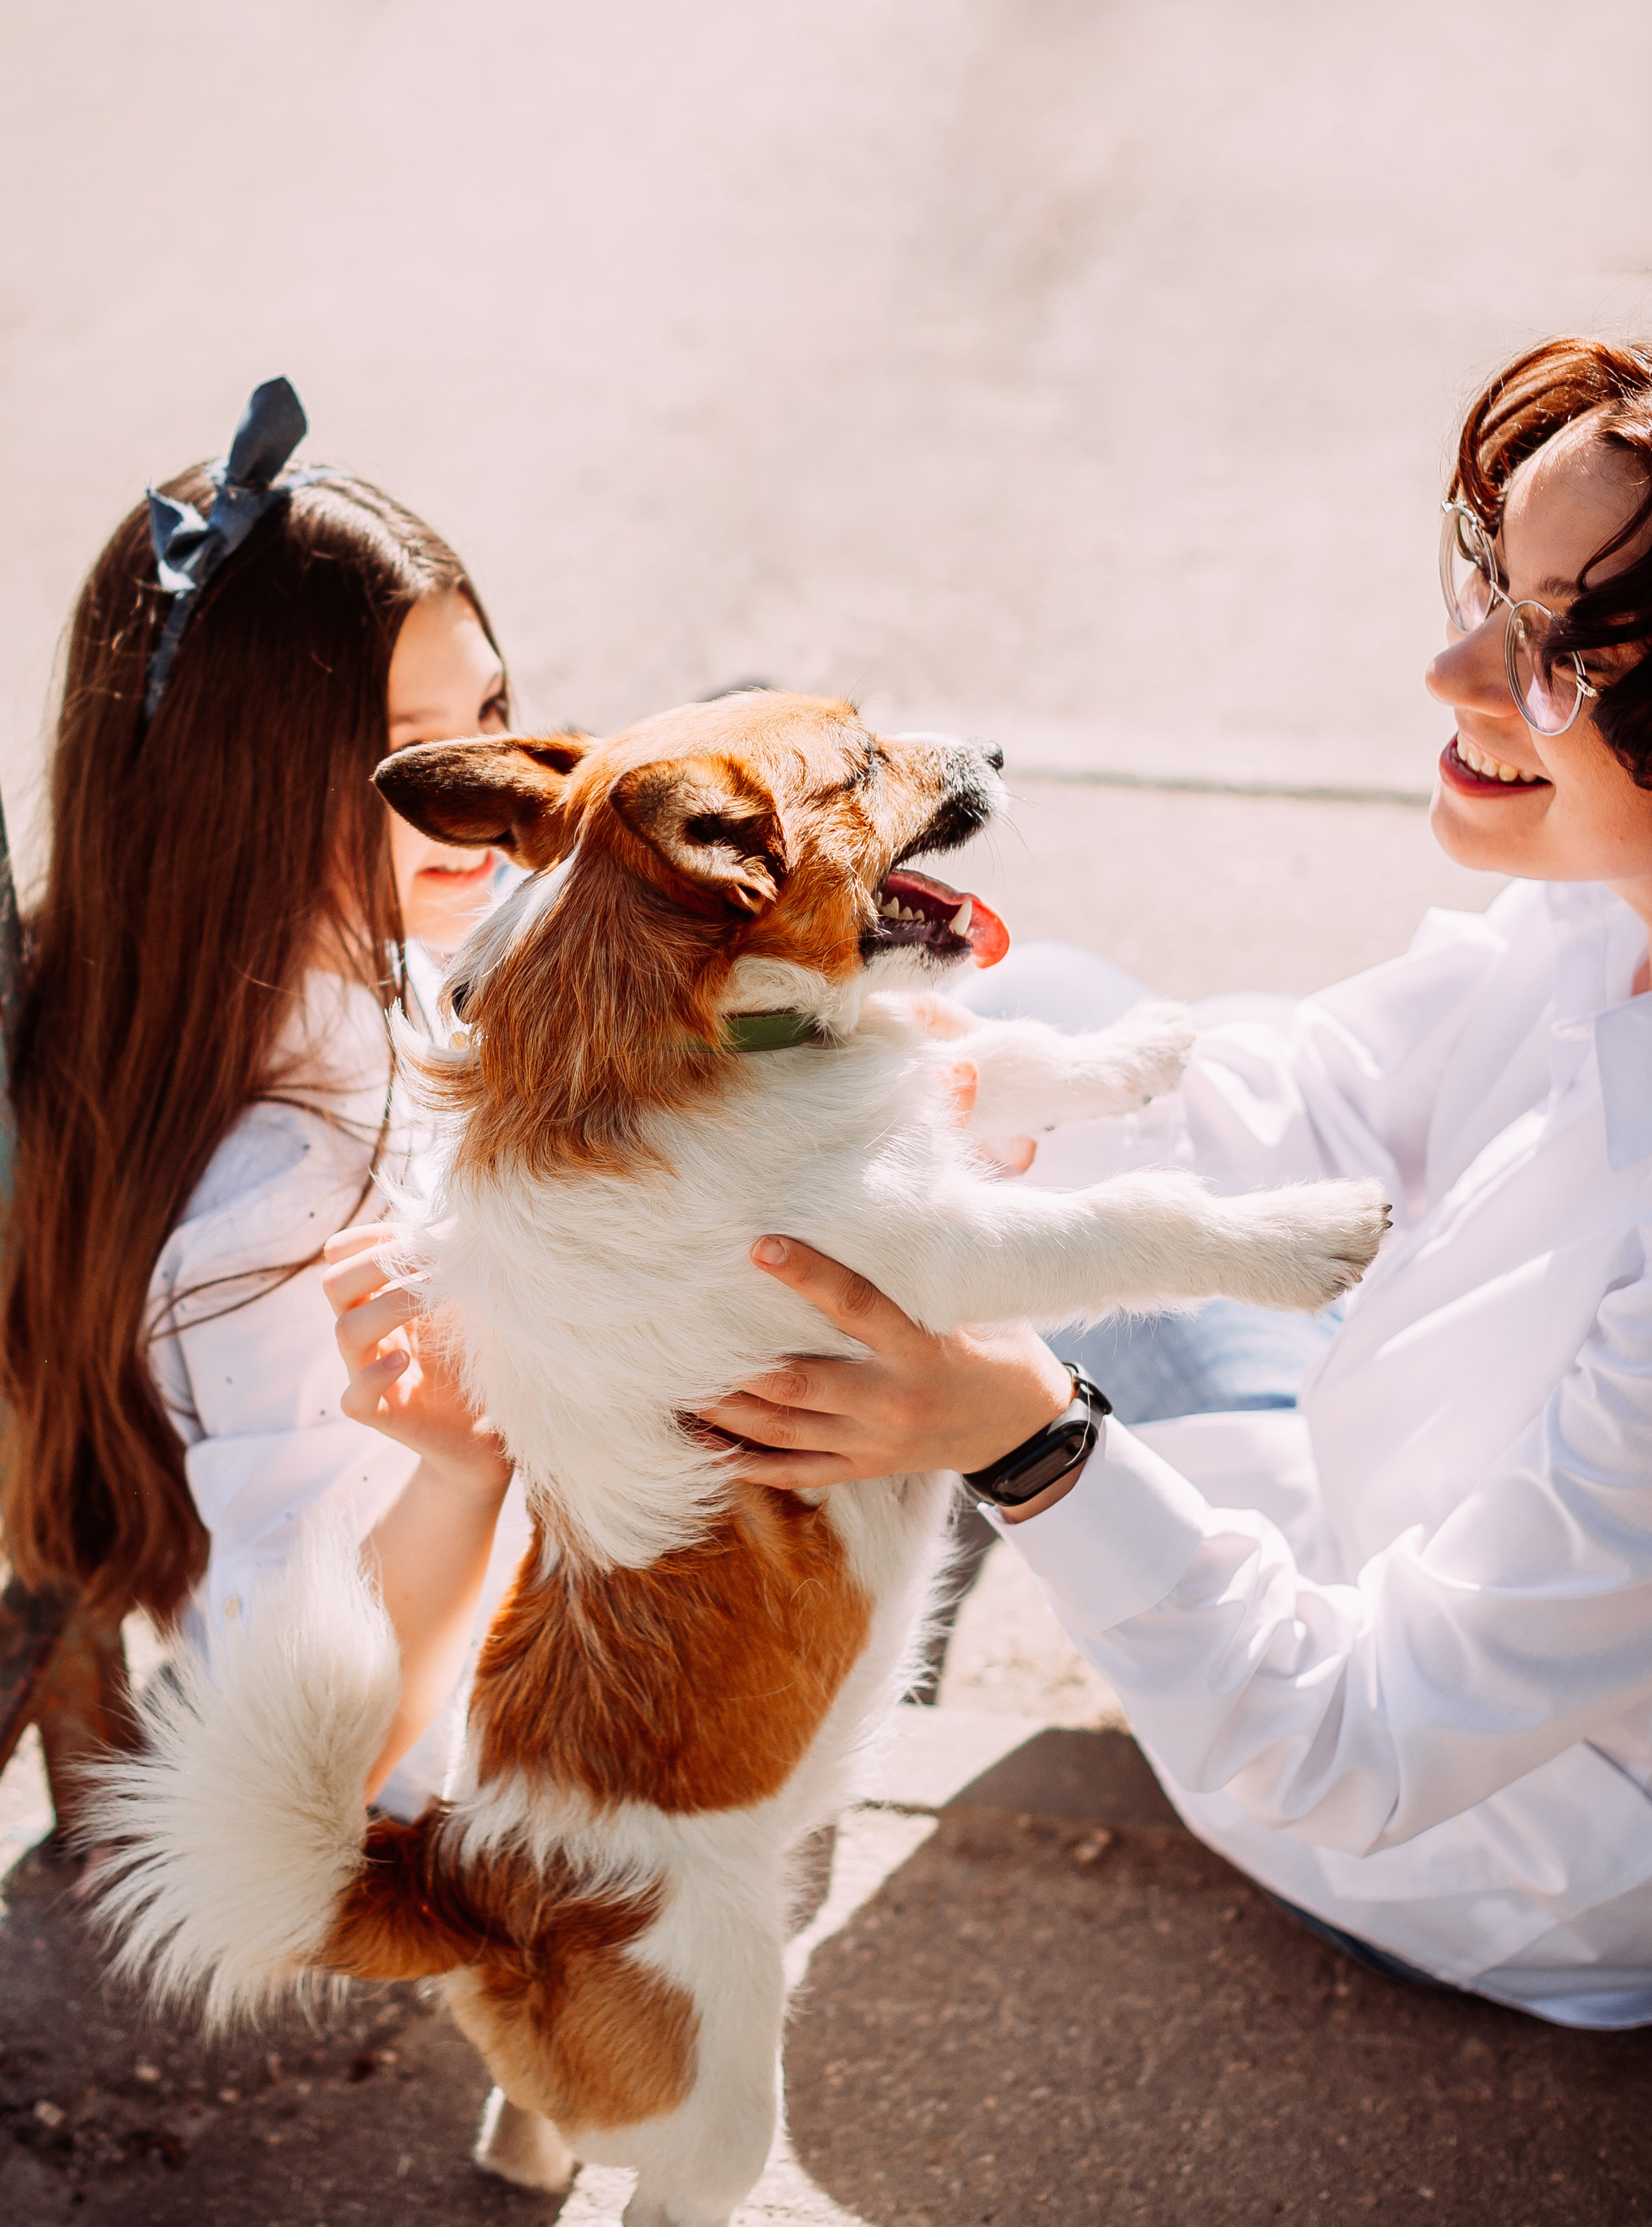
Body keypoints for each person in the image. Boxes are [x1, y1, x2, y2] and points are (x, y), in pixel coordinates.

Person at [701, 334, 1652, 2030]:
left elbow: (1354, 1742)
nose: (1455, 668)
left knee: (948, 1307)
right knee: (1046, 1018)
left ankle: (756, 1641)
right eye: (1490, 588)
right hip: (1389, 1510)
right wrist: (969, 1091)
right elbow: (1333, 1084)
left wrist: (1029, 1436)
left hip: (1484, 1816)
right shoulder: (1608, 908)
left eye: (1558, 648)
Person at [1, 380, 519, 1820]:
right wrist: (469, 1472)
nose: (485, 790)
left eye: (487, 715)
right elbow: (319, 1757)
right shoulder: (282, 1203)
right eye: (415, 753)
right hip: (531, 1733)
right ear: (247, 784)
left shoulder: (298, 957)